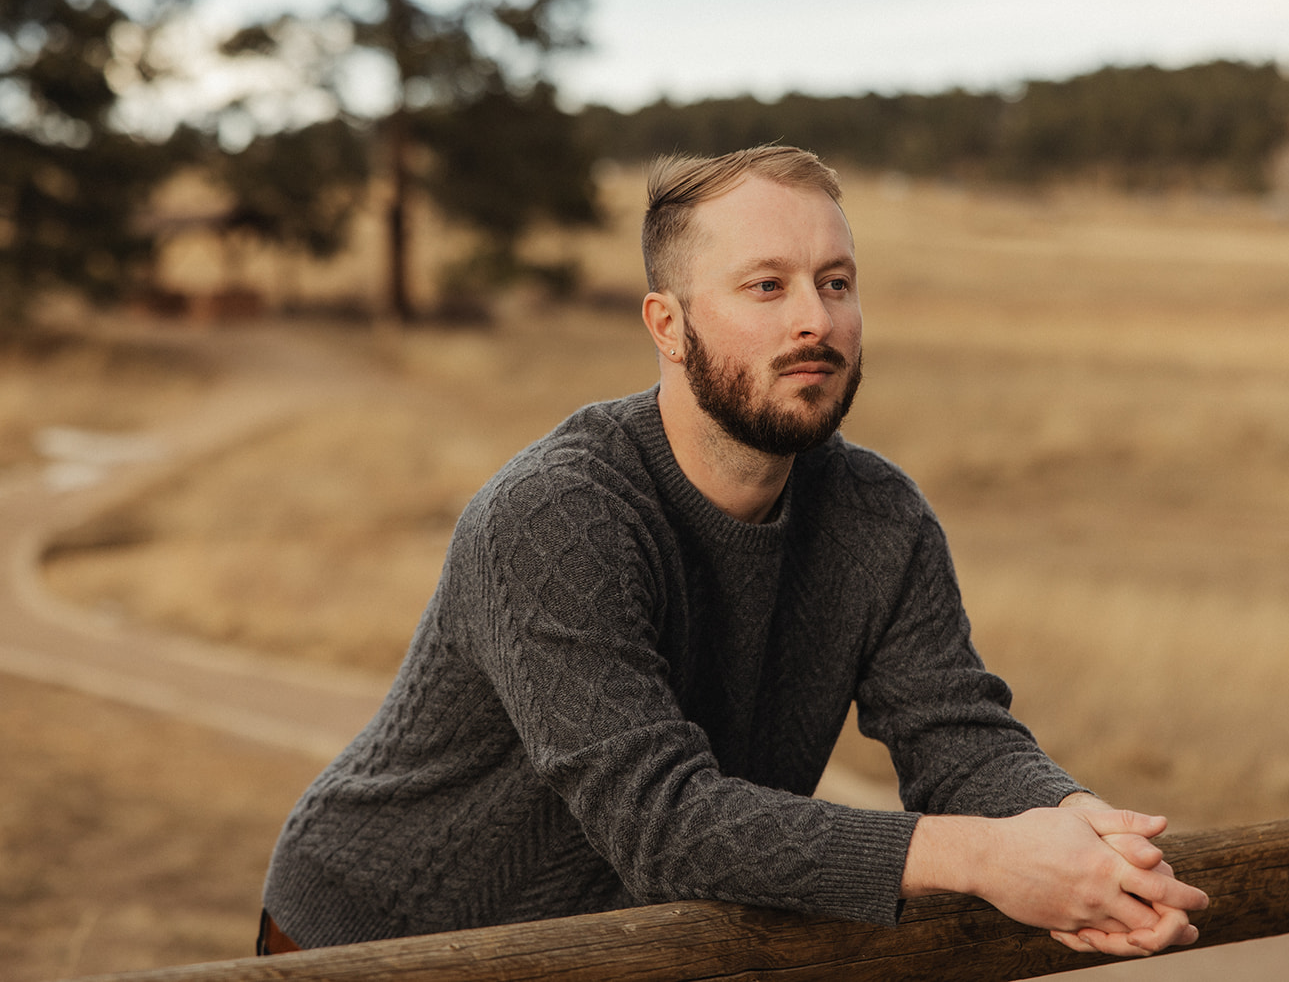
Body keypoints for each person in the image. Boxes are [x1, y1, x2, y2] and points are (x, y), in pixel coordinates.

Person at [258, 145, 1207, 959]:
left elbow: (957, 736)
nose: (815, 319)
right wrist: (986, 857)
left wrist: (1078, 824)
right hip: (380, 941)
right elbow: (661, 819)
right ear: (667, 325)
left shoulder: (879, 515)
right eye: (767, 285)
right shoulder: (557, 512)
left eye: (836, 282)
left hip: (606, 947)